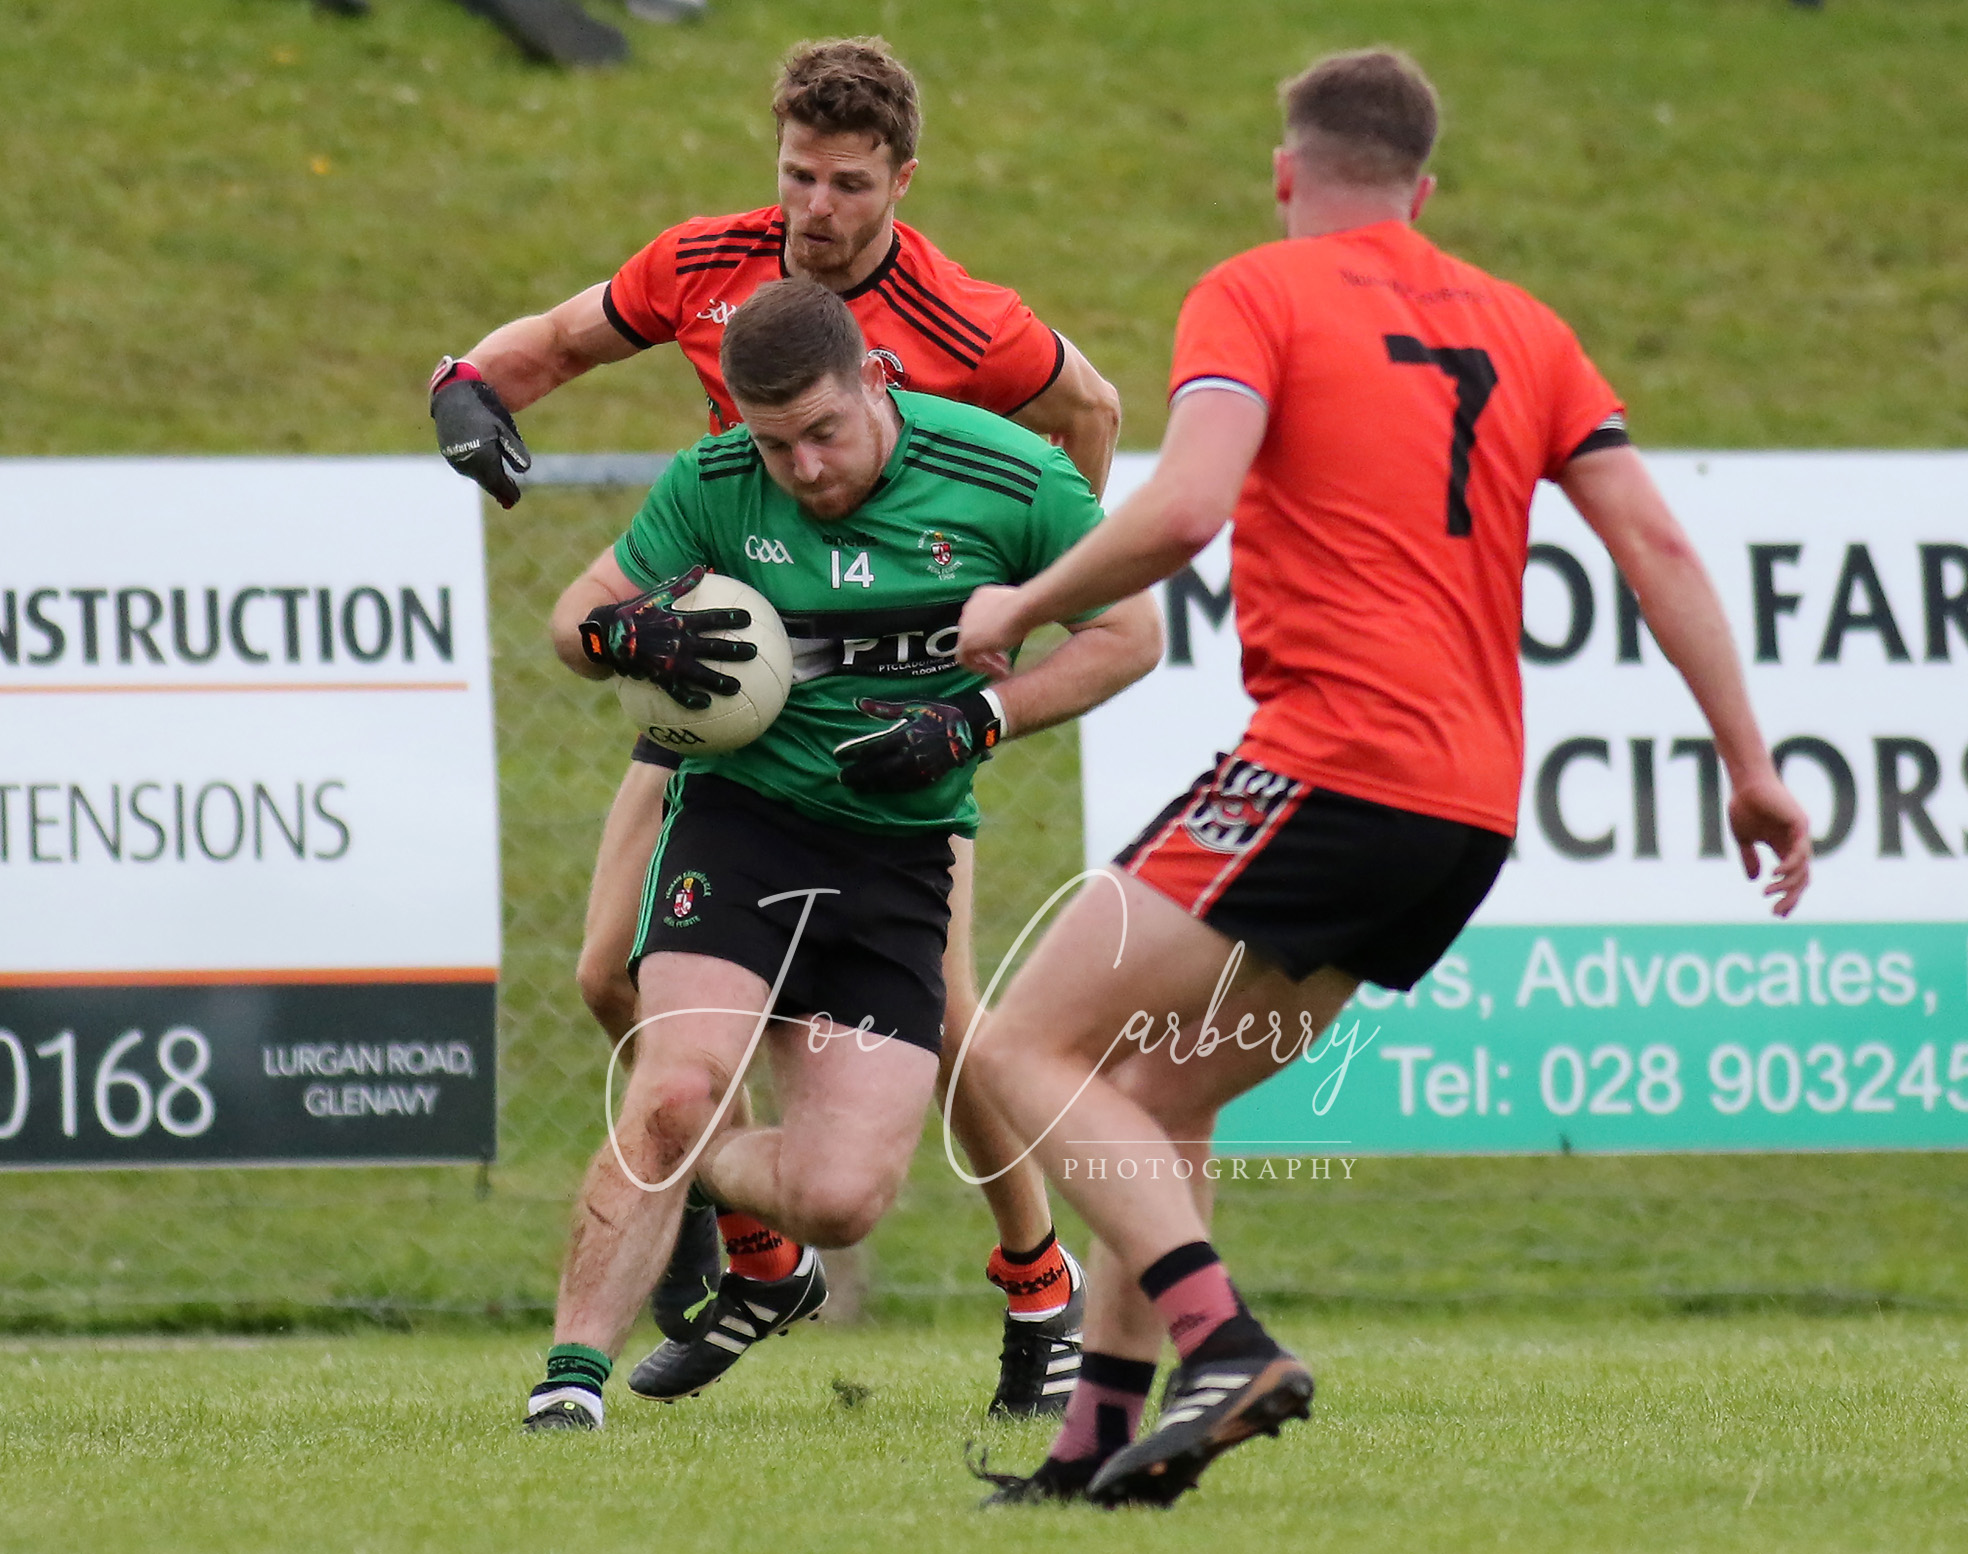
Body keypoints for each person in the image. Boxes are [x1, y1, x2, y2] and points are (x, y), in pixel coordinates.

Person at [953, 48, 1815, 1506]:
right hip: (1466, 814)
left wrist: (1021, 604)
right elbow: (1658, 548)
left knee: (1020, 1049)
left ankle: (1219, 1340)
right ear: (1424, 189)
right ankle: (1098, 1446)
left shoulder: (1258, 289)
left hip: (1334, 764)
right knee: (1156, 1092)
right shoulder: (1530, 328)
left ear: (1289, 170)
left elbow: (1187, 505)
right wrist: (1751, 761)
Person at [429, 37, 1122, 1415]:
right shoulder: (703, 263)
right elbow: (549, 345)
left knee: (951, 1010)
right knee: (611, 974)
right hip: (728, 672)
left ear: (901, 182)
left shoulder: (963, 319)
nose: (816, 205)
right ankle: (763, 1260)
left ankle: (1042, 1288)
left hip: (890, 708)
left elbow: (1088, 409)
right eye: (798, 172)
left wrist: (1018, 606)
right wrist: (467, 392)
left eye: (849, 183)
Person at [522, 279, 1160, 1432]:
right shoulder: (715, 484)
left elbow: (1128, 636)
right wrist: (623, 632)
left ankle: (787, 1238)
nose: (803, 467)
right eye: (775, 443)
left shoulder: (1008, 479)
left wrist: (977, 722)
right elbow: (574, 620)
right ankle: (569, 1383)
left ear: (877, 379)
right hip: (740, 815)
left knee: (839, 1197)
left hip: (900, 852)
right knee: (670, 1086)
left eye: (821, 431)